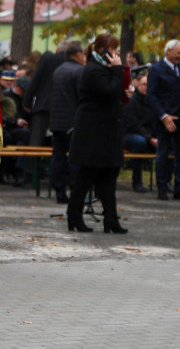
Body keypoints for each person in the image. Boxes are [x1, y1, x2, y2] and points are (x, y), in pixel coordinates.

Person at [66, 33, 129, 235]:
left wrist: (123, 89)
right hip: (93, 132)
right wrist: (118, 69)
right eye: (114, 50)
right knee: (86, 177)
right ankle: (74, 216)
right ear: (103, 50)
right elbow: (108, 91)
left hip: (105, 131)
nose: (117, 54)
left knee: (108, 178)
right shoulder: (94, 69)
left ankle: (111, 219)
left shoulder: (102, 68)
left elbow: (112, 92)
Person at [147, 39, 180, 201]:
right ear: (168, 51)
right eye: (178, 53)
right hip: (164, 119)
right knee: (163, 154)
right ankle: (162, 187)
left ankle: (179, 187)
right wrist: (164, 115)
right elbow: (151, 95)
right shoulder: (156, 69)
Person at [49, 41, 87, 203]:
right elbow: (82, 97)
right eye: (84, 54)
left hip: (57, 122)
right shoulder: (79, 71)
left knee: (58, 157)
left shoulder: (58, 71)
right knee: (77, 158)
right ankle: (76, 191)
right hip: (74, 122)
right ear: (78, 55)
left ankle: (59, 191)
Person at [21, 42, 68, 146]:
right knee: (62, 144)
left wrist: (27, 103)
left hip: (44, 104)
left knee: (36, 140)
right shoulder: (72, 62)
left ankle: (32, 161)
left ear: (57, 49)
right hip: (65, 109)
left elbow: (35, 81)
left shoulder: (47, 59)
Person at [123, 70, 159, 192]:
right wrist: (150, 138)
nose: (147, 87)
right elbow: (134, 124)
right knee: (140, 142)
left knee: (169, 143)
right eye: (145, 85)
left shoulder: (153, 102)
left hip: (149, 135)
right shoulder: (132, 102)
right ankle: (136, 181)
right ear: (138, 86)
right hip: (131, 135)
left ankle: (164, 183)